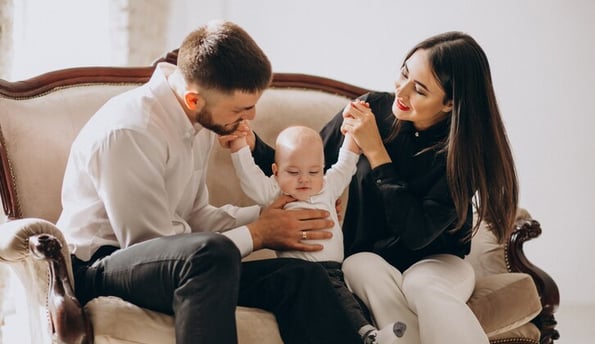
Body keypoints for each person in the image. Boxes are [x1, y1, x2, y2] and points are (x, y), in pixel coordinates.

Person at [56, 20, 364, 344]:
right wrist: (259, 235)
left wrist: (274, 214)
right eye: (242, 108)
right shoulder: (131, 131)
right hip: (99, 266)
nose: (251, 117)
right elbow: (152, 245)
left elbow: (194, 217)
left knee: (303, 277)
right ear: (194, 100)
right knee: (210, 254)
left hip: (188, 262)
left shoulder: (200, 122)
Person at [244, 31, 519, 343]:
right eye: (403, 74)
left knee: (421, 285)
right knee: (360, 266)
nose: (401, 91)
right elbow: (302, 167)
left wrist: (376, 152)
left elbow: (416, 234)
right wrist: (251, 144)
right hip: (367, 258)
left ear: (450, 103)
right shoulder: (370, 109)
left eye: (419, 90)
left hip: (439, 263)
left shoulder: (462, 156)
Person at [227, 124, 406, 343]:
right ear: (275, 171)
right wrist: (239, 148)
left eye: (314, 171)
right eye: (293, 172)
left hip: (335, 269)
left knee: (351, 301)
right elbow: (250, 177)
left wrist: (351, 136)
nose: (304, 179)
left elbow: (345, 165)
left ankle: (370, 332)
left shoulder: (327, 187)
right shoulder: (275, 193)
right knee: (339, 300)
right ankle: (369, 334)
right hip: (305, 271)